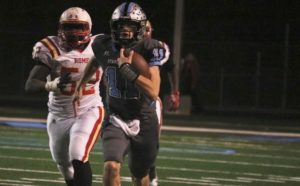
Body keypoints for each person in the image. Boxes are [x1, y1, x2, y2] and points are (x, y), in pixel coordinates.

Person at [74, 2, 169, 186]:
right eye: (120, 26)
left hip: (144, 120)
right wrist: (81, 84)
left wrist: (127, 69)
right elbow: (96, 60)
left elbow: (153, 92)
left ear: (140, 27)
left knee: (140, 175)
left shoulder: (150, 48)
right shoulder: (102, 44)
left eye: (131, 26)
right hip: (116, 117)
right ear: (113, 27)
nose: (125, 31)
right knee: (111, 166)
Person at [25, 7, 104, 186]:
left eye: (79, 27)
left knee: (78, 154)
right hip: (59, 114)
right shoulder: (51, 48)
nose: (73, 32)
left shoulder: (99, 45)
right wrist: (50, 85)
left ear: (89, 28)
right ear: (60, 28)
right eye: (68, 27)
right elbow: (30, 84)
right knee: (63, 163)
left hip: (89, 109)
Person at [143, 20, 180, 186]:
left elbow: (172, 68)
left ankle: (151, 171)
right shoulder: (126, 48)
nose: (145, 32)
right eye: (142, 29)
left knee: (152, 142)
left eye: (148, 29)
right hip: (129, 101)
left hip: (152, 101)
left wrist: (174, 92)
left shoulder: (157, 48)